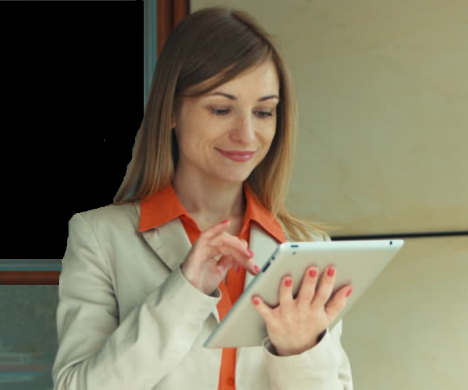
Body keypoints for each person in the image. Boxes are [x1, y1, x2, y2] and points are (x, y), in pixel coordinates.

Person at [52, 6, 353, 390]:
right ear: (172, 111)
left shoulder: (308, 248)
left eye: (263, 112)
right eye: (221, 109)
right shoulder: (99, 238)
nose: (246, 135)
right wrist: (184, 292)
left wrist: (299, 352)